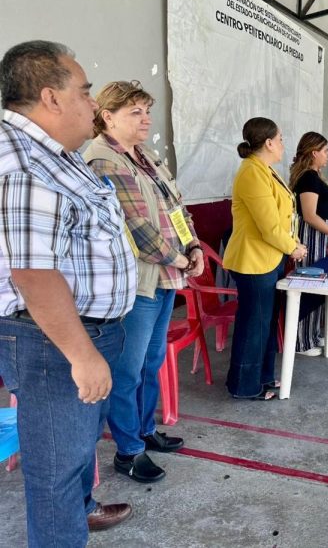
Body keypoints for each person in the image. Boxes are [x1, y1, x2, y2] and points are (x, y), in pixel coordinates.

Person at [0, 40, 136, 547]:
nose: (93, 103)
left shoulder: (53, 155)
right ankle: (64, 528)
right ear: (50, 97)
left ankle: (81, 512)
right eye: (83, 90)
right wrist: (81, 355)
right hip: (54, 342)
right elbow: (34, 273)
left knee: (75, 451)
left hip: (76, 334)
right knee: (54, 471)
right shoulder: (24, 163)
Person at [84, 80, 203, 483]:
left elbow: (176, 207)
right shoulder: (103, 160)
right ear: (107, 116)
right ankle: (128, 450)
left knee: (151, 363)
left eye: (146, 110)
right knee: (128, 370)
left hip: (165, 278)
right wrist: (181, 258)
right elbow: (134, 226)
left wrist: (195, 246)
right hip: (138, 284)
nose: (145, 118)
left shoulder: (144, 156)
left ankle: (145, 431)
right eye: (135, 111)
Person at [223, 117, 308, 400]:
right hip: (254, 261)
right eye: (281, 139)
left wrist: (292, 241)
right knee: (254, 325)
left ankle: (263, 377)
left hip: (269, 258)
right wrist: (292, 248)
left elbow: (281, 218)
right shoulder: (251, 172)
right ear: (269, 142)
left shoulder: (265, 170)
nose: (284, 144)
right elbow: (268, 225)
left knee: (266, 322)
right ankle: (245, 387)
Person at [289, 132, 328, 356]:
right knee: (310, 284)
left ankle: (313, 334)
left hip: (321, 234)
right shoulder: (308, 177)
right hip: (313, 234)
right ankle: (301, 341)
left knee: (319, 284)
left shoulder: (314, 176)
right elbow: (309, 215)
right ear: (314, 152)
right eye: (325, 151)